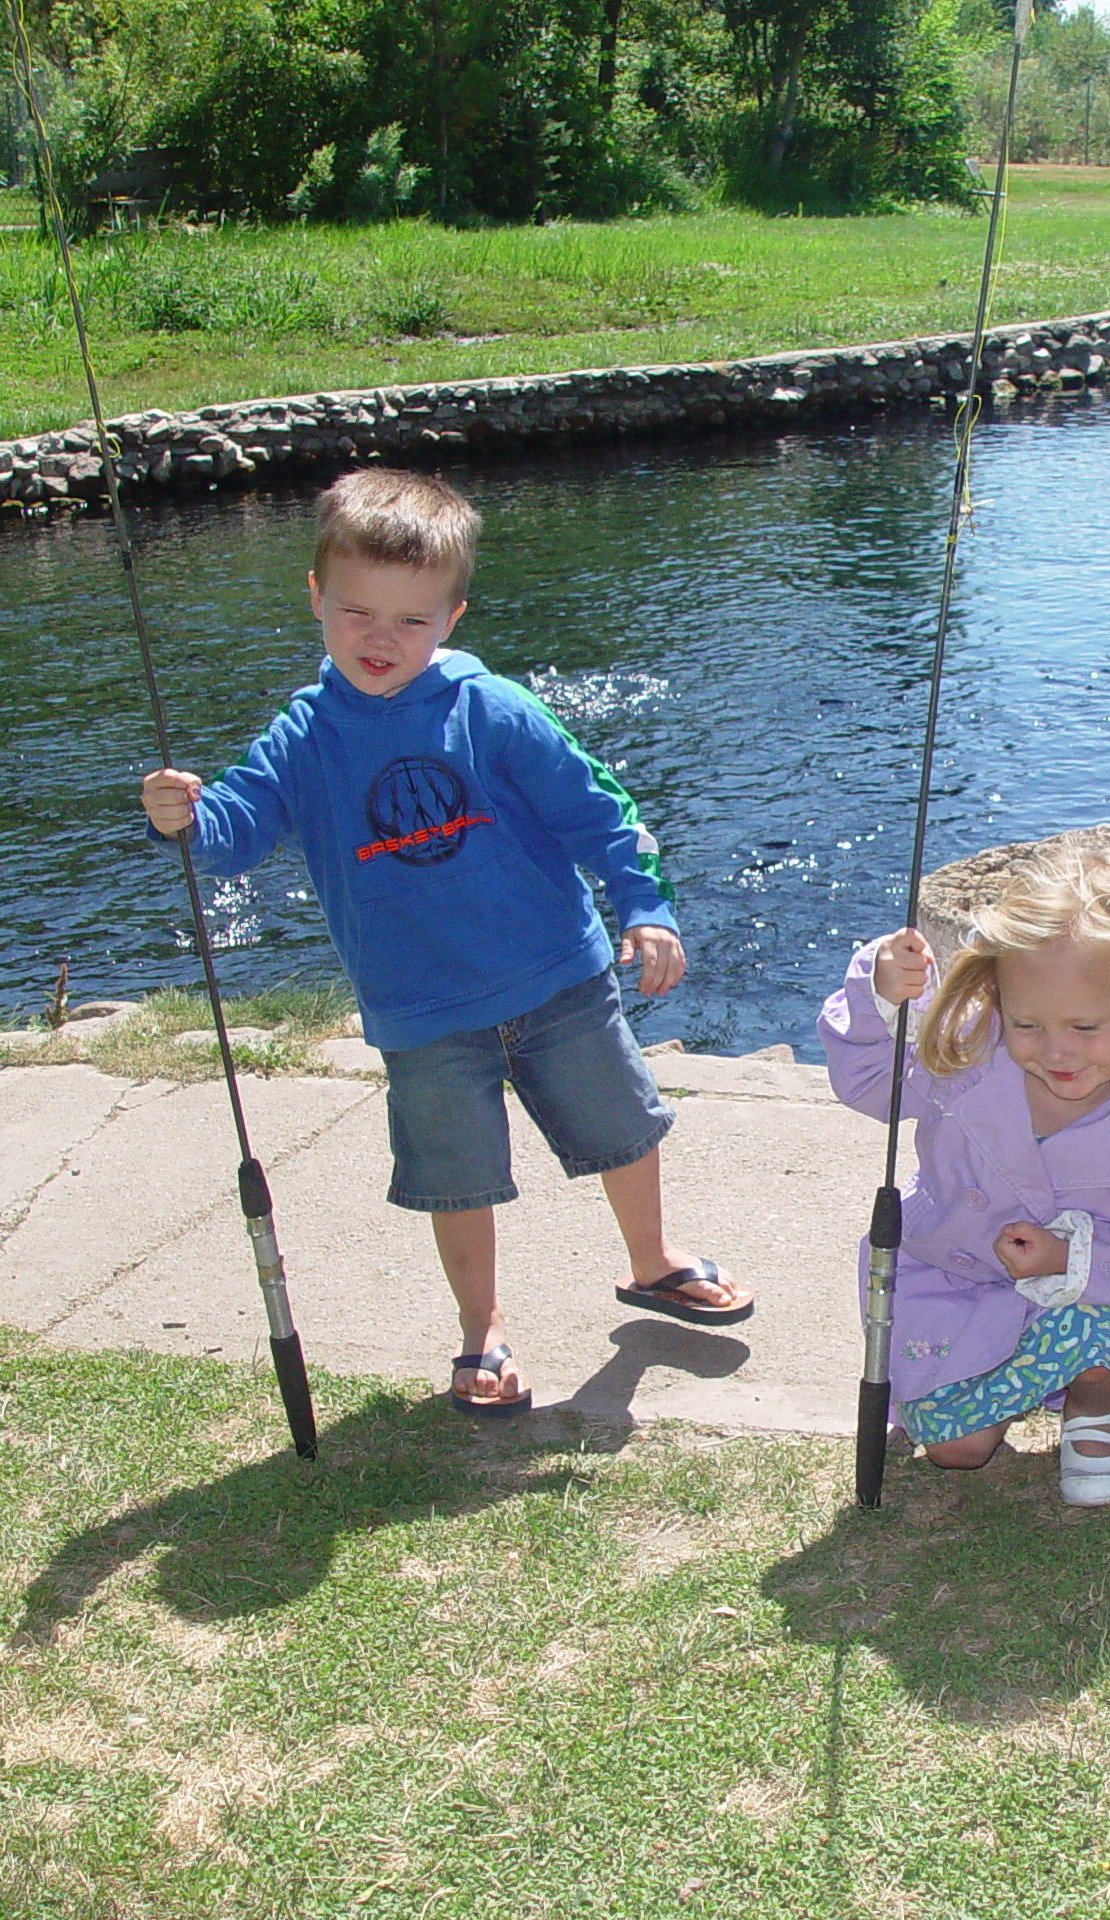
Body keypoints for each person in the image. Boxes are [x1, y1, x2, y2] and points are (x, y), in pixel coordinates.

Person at [138, 468, 749, 1419]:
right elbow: (237, 831)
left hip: (559, 978)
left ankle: (652, 1262)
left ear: (452, 618)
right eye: (356, 613)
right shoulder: (301, 738)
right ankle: (483, 1331)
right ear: (315, 598)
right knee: (456, 1178)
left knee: (623, 1127)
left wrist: (646, 905)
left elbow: (601, 812)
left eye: (411, 621)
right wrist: (185, 818)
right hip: (419, 1010)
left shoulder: (492, 708)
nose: (381, 639)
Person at [821, 844, 1110, 1506]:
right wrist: (881, 999)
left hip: (1082, 1299)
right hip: (951, 1272)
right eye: (1027, 1023)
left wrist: (1069, 1255)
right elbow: (872, 1084)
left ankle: (1092, 1403)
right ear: (996, 995)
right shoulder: (963, 1048)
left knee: (1098, 1314)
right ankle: (1002, 1382)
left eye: (1085, 1025)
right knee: (956, 1453)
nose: (1057, 1050)